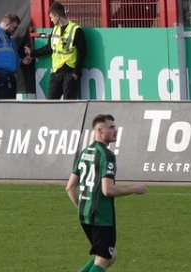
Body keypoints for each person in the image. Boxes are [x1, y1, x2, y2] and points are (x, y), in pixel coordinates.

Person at [66, 113, 147, 272]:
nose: (115, 130)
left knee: (109, 255)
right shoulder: (106, 155)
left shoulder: (84, 152)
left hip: (85, 214)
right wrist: (133, 189)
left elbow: (69, 187)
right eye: (111, 128)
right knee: (105, 259)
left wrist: (82, 208)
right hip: (101, 217)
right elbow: (107, 189)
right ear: (99, 130)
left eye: (114, 127)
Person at [32, 1, 86, 99]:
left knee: (69, 104)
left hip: (70, 72)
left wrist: (75, 73)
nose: (51, 20)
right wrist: (32, 53)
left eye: (52, 17)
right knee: (51, 103)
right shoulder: (55, 29)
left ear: (57, 16)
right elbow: (49, 48)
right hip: (56, 72)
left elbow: (82, 53)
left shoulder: (76, 30)